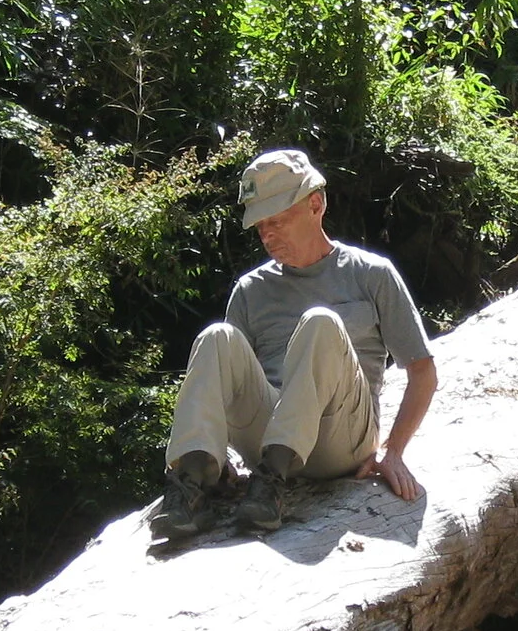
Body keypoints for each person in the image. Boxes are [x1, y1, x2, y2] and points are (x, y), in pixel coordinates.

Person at [151, 149, 438, 539]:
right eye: (260, 226)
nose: (267, 235)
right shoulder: (251, 290)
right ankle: (192, 485)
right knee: (216, 337)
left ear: (315, 205)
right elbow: (229, 387)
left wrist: (394, 451)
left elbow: (422, 372)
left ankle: (271, 485)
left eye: (277, 221)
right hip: (265, 441)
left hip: (341, 439)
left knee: (321, 321)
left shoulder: (371, 275)